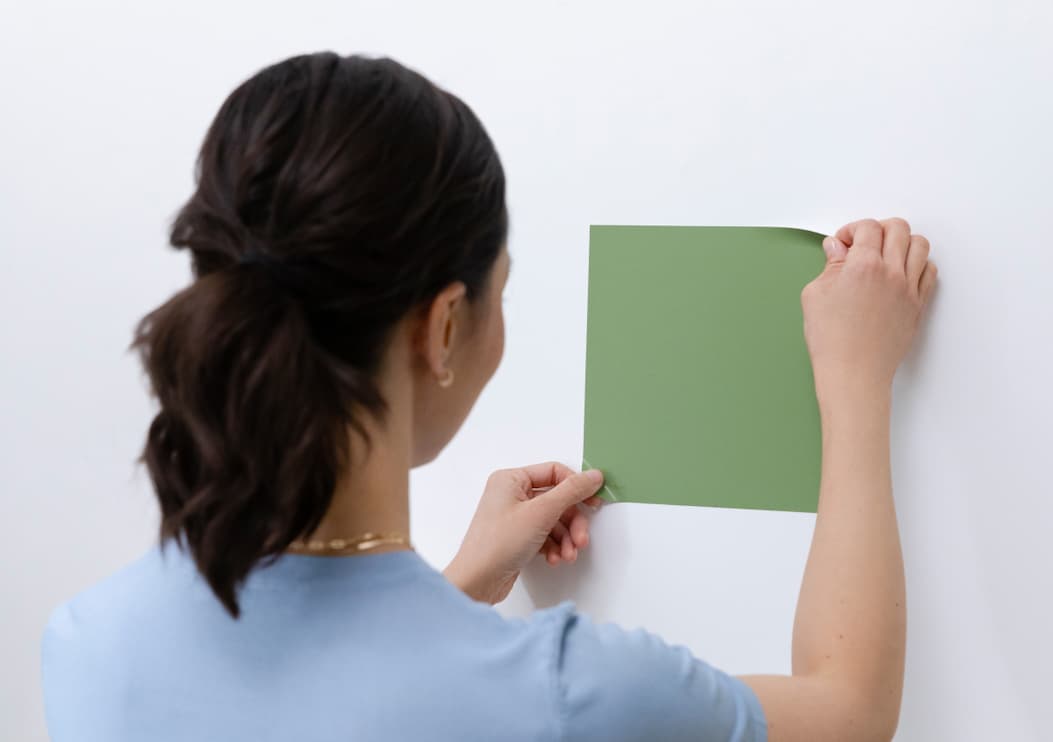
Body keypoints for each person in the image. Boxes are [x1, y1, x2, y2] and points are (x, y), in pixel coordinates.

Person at [40, 52, 937, 742]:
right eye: (500, 291)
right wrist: (855, 381)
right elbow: (848, 710)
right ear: (441, 328)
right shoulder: (567, 693)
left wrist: (462, 586)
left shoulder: (90, 644)